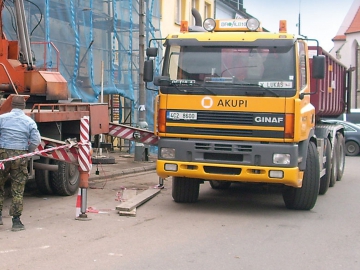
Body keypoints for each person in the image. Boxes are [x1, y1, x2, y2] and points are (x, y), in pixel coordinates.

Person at [0, 95, 41, 231]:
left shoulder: (2, 118)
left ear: (11, 105)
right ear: (23, 107)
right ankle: (16, 221)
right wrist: (27, 151)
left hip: (3, 156)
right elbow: (36, 141)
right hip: (20, 155)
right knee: (18, 188)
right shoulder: (29, 121)